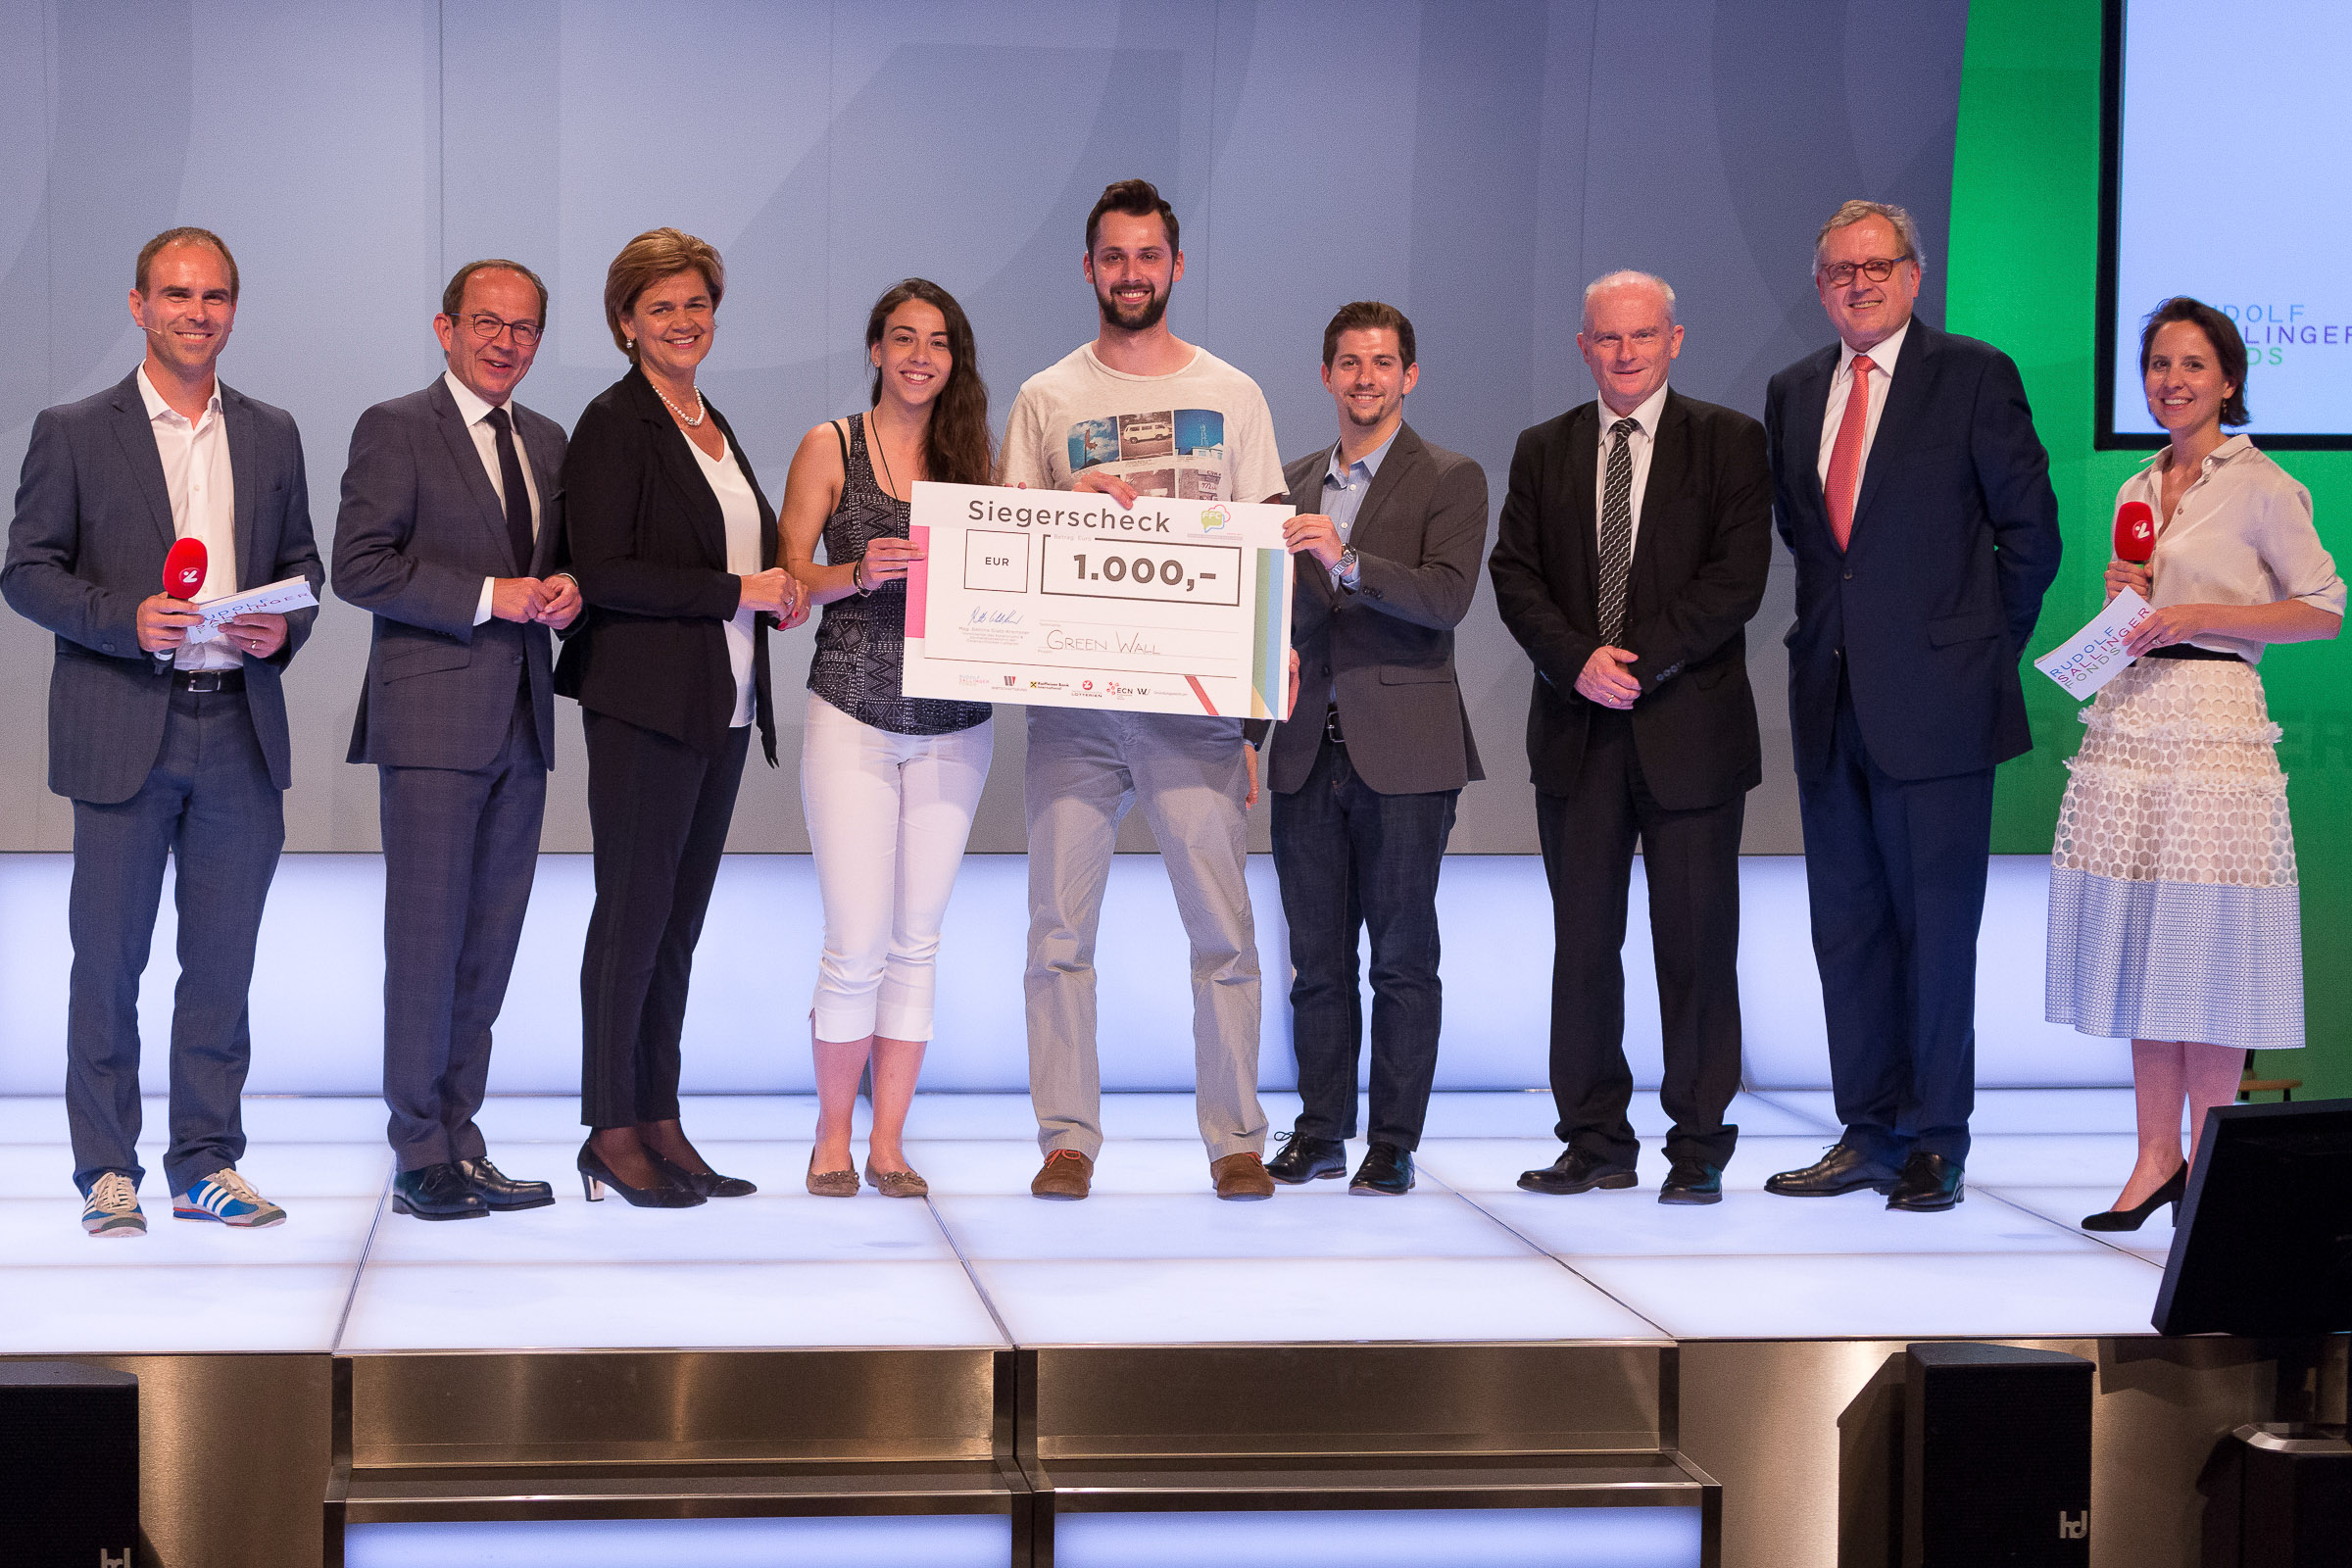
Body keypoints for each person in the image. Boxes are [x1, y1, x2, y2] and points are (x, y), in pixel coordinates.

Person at [3, 226, 322, 1238]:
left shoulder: (271, 431)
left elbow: (304, 565)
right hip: (123, 723)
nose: (197, 312)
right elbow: (27, 570)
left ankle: (205, 1163)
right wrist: (123, 618)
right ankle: (107, 1168)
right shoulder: (74, 430)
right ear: (139, 306)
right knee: (109, 961)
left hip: (238, 726)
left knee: (221, 966)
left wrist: (284, 626)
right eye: (177, 294)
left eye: (214, 296)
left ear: (233, 310)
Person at [1761, 200, 2062, 1212]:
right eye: (1841, 271)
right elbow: (1812, 546)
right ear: (1820, 287)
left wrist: (1974, 654)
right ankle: (1868, 1131)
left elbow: (2032, 537)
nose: (1860, 283)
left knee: (1936, 932)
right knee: (1847, 931)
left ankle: (1936, 1138)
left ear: (1913, 274)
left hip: (1941, 708)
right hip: (1830, 700)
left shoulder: (1972, 375)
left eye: (1877, 266)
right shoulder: (1793, 391)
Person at [1001, 178, 1288, 1202]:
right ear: (1089, 268)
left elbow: (1267, 543)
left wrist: (1259, 691)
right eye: (1114, 256)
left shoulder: (1233, 393)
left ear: (1176, 265)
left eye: (1148, 255)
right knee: (1057, 934)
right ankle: (1066, 1139)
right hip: (1073, 710)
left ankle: (1236, 1139)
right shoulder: (1045, 397)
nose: (1131, 273)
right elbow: (1010, 538)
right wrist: (1056, 500)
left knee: (1223, 932)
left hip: (1193, 709)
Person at [2047, 297, 2341, 1231]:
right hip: (2135, 714)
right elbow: (2142, 613)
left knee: (2207, 944)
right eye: (2158, 365)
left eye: (2191, 365)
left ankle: (2212, 1168)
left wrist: (2198, 614)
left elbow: (2323, 608)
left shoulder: (2263, 486)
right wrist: (2124, 605)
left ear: (2228, 380)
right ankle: (2153, 1160)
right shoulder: (2138, 485)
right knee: (2146, 936)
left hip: (2214, 717)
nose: (2171, 381)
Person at [1490, 270, 1773, 1205]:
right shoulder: (1544, 448)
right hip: (1578, 733)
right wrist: (1577, 661)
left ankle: (1699, 1145)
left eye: (1643, 335)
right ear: (1584, 347)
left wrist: (1635, 664)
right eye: (1608, 338)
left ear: (1674, 339)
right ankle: (1596, 1142)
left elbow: (1736, 580)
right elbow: (1514, 573)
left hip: (1690, 733)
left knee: (1696, 949)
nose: (1626, 353)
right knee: (1583, 949)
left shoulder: (1730, 442)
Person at [556, 227, 810, 1208]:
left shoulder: (710, 419)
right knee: (631, 920)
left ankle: (659, 1117)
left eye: (696, 303)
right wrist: (737, 589)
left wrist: (776, 588)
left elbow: (735, 556)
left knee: (675, 927)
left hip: (724, 707)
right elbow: (606, 570)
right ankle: (610, 1129)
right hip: (644, 707)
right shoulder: (615, 422)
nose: (682, 321)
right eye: (660, 307)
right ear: (626, 323)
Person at [332, 259, 580, 1222]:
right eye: (486, 322)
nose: (504, 342)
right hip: (432, 722)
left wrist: (568, 589)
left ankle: (461, 1138)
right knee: (426, 944)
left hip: (522, 719)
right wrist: (488, 596)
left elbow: (556, 562)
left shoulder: (547, 441)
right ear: (446, 329)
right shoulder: (396, 426)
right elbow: (360, 566)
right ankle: (417, 1152)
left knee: (488, 947)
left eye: (523, 328)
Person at [1261, 302, 1488, 1199]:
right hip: (1303, 752)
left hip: (1405, 754)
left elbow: (1447, 598)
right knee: (1316, 964)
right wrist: (1245, 736)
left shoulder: (1451, 477)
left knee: (1401, 960)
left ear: (1410, 376)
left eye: (1383, 362)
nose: (1366, 378)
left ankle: (1392, 1143)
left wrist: (1347, 560)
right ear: (1326, 375)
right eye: (1350, 363)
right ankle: (1320, 1131)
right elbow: (1265, 626)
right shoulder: (1286, 483)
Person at [780, 279, 995, 1199]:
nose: (920, 356)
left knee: (917, 942)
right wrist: (858, 571)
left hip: (957, 724)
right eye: (903, 338)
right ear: (875, 349)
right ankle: (832, 1138)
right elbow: (788, 581)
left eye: (937, 342)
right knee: (856, 941)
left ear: (955, 360)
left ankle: (890, 1144)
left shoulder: (975, 459)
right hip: (853, 709)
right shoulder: (829, 445)